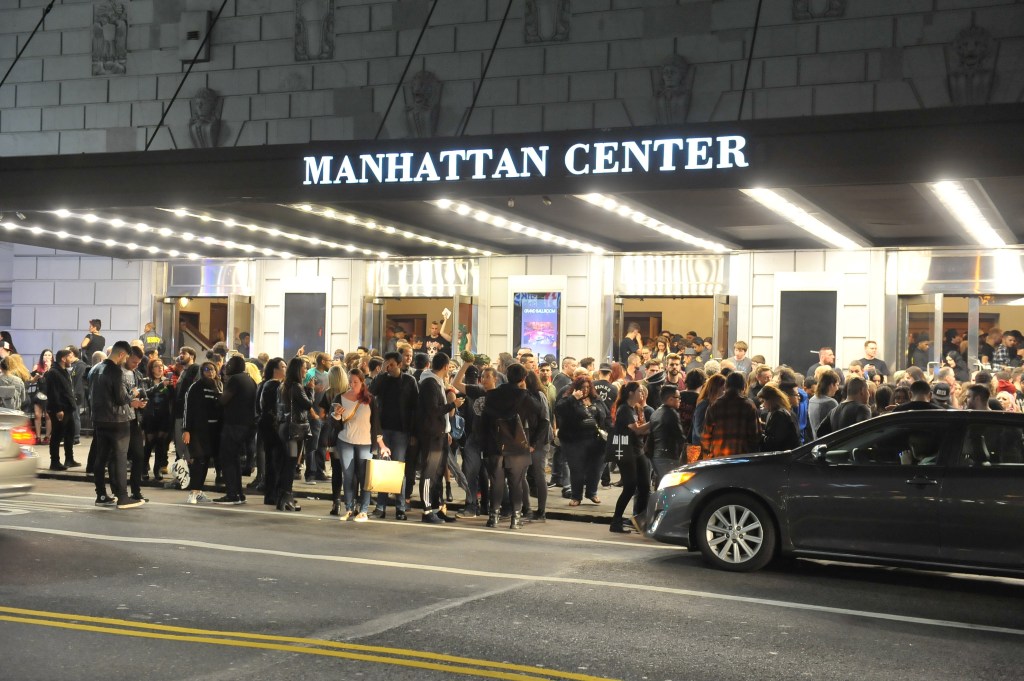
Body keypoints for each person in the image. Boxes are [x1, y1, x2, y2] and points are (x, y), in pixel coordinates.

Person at [480, 363, 548, 529]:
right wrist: (533, 443)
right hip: (518, 445)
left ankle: (493, 516)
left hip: (495, 443)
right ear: (523, 379)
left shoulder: (492, 395)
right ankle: (515, 519)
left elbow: (484, 422)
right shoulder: (525, 396)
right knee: (515, 482)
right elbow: (543, 419)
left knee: (496, 481)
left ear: (505, 375)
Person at [90, 341, 146, 509]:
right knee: (120, 457)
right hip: (117, 420)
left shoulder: (95, 369)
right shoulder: (115, 370)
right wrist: (133, 399)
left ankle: (101, 494)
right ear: (122, 354)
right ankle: (122, 496)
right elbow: (121, 399)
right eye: (127, 357)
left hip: (98, 418)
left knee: (101, 457)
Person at [554, 374, 611, 507]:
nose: (585, 390)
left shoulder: (596, 400)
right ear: (576, 388)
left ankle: (592, 492)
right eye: (582, 387)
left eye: (587, 387)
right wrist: (573, 399)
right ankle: (576, 496)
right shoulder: (569, 399)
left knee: (595, 469)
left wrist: (608, 430)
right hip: (575, 440)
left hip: (596, 440)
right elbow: (559, 409)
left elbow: (606, 416)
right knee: (577, 470)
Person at [416, 352, 459, 523]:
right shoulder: (429, 383)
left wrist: (446, 430)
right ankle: (427, 511)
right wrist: (452, 405)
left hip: (440, 434)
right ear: (446, 367)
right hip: (431, 435)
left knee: (438, 473)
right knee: (428, 473)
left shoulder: (437, 382)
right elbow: (433, 410)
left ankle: (437, 508)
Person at [331, 368, 378, 522]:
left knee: (364, 476)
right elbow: (335, 423)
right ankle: (349, 508)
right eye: (350, 381)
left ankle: (363, 509)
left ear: (362, 382)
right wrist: (337, 415)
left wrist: (380, 444)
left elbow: (376, 423)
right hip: (345, 440)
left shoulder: (370, 399)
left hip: (365, 442)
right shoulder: (340, 397)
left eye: (355, 382)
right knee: (348, 475)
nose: (352, 385)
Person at [607, 381, 652, 534]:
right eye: (639, 391)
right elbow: (637, 430)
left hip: (638, 450)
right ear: (631, 393)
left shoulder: (637, 408)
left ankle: (640, 519)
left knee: (645, 486)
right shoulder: (624, 409)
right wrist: (655, 421)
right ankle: (616, 521)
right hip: (625, 451)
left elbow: (641, 430)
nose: (642, 394)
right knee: (630, 486)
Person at [214, 355, 256, 504]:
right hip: (247, 425)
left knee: (227, 459)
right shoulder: (249, 380)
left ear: (235, 365)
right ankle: (239, 493)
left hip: (234, 424)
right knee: (235, 460)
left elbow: (224, 400)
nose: (227, 366)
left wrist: (216, 395)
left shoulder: (235, 379)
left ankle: (232, 494)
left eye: (229, 363)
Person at [182, 361, 223, 504]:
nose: (210, 372)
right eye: (206, 369)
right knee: (199, 460)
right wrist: (186, 430)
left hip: (213, 430)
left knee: (205, 460)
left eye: (212, 369)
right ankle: (193, 492)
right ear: (202, 371)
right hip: (198, 430)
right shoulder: (196, 387)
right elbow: (188, 409)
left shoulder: (218, 385)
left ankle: (198, 491)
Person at [701, 371, 760, 459]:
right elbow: (755, 435)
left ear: (726, 386)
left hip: (718, 457)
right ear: (743, 387)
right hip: (742, 457)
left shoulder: (715, 405)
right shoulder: (749, 405)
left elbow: (706, 434)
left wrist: (707, 453)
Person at [256, 357, 287, 505]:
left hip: (268, 425)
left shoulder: (267, 384)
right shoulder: (272, 385)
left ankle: (272, 493)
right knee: (274, 461)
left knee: (273, 460)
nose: (285, 369)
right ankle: (272, 494)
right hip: (272, 427)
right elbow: (270, 408)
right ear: (275, 369)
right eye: (283, 366)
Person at [43, 349, 79, 471]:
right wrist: (58, 409)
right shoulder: (53, 372)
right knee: (57, 435)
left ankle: (69, 459)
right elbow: (53, 392)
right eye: (70, 357)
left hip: (67, 407)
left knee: (70, 433)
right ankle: (54, 461)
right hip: (59, 408)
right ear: (63, 359)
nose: (72, 359)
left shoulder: (63, 371)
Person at [140, 357, 174, 482]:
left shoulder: (166, 381)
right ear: (151, 368)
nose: (160, 368)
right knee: (149, 444)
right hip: (150, 416)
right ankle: (143, 468)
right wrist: (161, 385)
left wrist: (171, 387)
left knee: (161, 445)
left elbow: (172, 398)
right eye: (156, 366)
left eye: (161, 365)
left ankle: (157, 469)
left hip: (164, 417)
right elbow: (145, 393)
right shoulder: (146, 380)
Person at [648, 384, 686, 480]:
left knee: (663, 484)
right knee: (672, 485)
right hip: (668, 456)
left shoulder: (656, 412)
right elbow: (679, 436)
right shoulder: (672, 413)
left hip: (656, 456)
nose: (680, 400)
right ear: (670, 399)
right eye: (678, 398)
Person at [760, 384, 801, 451]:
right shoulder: (776, 412)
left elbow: (775, 440)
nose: (763, 405)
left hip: (785, 455)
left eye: (764, 401)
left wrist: (760, 436)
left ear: (771, 401)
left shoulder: (779, 414)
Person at [807, 369, 840, 440]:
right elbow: (836, 427)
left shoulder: (812, 400)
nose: (837, 388)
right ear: (831, 385)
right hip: (828, 443)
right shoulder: (831, 402)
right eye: (837, 385)